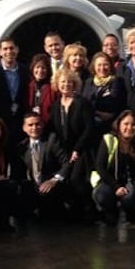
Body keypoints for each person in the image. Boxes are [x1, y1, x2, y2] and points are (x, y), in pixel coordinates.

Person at [49, 68, 95, 216]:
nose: (66, 85)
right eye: (63, 82)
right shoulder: (56, 105)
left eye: (70, 82)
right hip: (64, 150)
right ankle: (73, 210)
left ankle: (88, 209)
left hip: (81, 149)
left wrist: (78, 148)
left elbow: (89, 128)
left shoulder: (82, 103)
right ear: (57, 84)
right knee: (65, 179)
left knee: (77, 179)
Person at [91, 109, 135, 225]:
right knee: (102, 195)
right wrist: (116, 186)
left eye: (133, 124)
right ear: (119, 124)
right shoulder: (109, 139)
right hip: (109, 182)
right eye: (126, 124)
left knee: (131, 196)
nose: (129, 127)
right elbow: (100, 166)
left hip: (129, 183)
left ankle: (130, 213)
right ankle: (110, 213)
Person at [11, 112, 71, 223]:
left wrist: (54, 180)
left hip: (51, 185)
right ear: (24, 128)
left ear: (42, 125)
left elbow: (66, 163)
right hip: (32, 187)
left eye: (37, 124)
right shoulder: (21, 147)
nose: (34, 127)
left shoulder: (52, 140)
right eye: (30, 125)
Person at [0, 37, 30, 142]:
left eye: (12, 48)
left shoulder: (25, 71)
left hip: (20, 123)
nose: (9, 52)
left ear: (17, 49)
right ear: (0, 52)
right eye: (5, 49)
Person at [83, 52, 126, 139]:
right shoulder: (89, 82)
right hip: (89, 126)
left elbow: (115, 103)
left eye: (105, 65)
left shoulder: (116, 81)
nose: (102, 68)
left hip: (109, 127)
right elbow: (85, 103)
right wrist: (97, 112)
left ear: (110, 66)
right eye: (99, 65)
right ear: (94, 67)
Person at [26, 53, 56, 125]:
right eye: (37, 67)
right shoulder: (28, 86)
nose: (40, 70)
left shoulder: (53, 88)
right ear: (32, 68)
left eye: (43, 68)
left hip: (48, 126)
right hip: (31, 126)